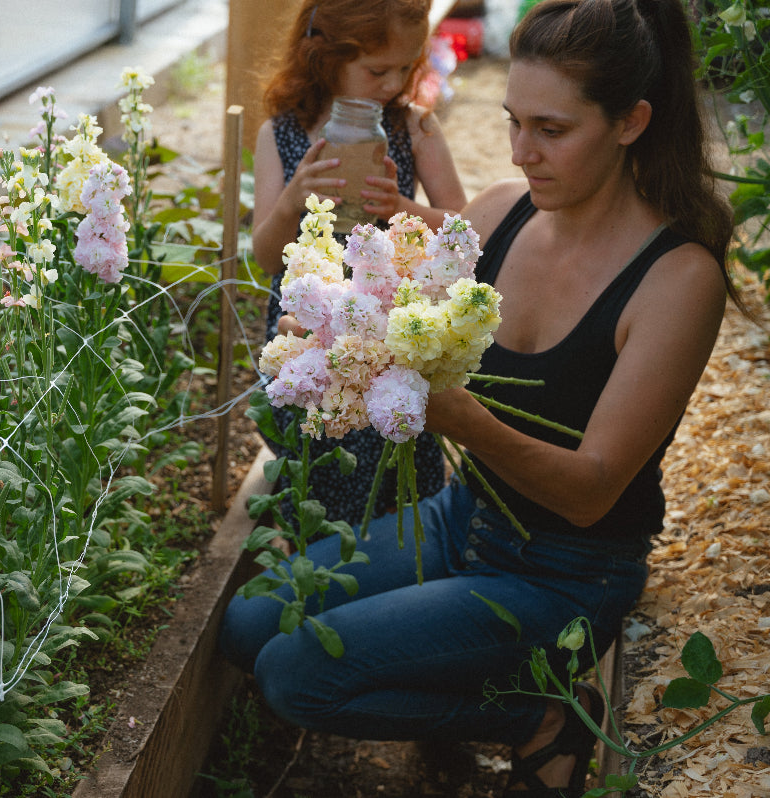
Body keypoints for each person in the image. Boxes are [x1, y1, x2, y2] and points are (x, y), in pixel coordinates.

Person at [222, 0, 742, 795]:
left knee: (296, 675)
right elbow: (402, 313)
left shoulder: (677, 279)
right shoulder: (499, 212)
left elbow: (592, 490)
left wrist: (461, 417)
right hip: (463, 515)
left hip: (565, 569)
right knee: (247, 624)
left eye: (551, 130)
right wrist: (336, 326)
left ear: (632, 121)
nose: (520, 151)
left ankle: (535, 717)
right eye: (513, 121)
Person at [252, 0, 467, 529]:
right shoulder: (281, 135)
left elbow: (465, 226)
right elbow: (262, 256)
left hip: (388, 319)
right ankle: (309, 553)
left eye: (406, 67)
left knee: (389, 435)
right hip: (310, 325)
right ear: (325, 55)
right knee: (316, 440)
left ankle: (392, 559)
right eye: (377, 70)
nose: (393, 83)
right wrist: (292, 201)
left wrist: (406, 210)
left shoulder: (415, 127)